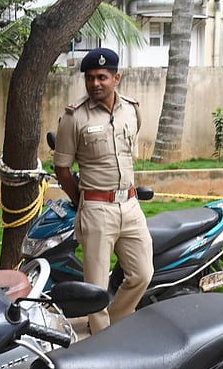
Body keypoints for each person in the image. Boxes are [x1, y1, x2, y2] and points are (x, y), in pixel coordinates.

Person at [53, 47, 153, 333]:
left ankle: (117, 323)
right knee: (95, 289)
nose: (94, 83)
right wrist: (83, 201)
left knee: (142, 274)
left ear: (116, 78)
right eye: (89, 78)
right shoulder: (74, 118)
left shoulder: (132, 110)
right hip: (97, 210)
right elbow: (62, 170)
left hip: (131, 207)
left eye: (101, 77)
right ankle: (101, 340)